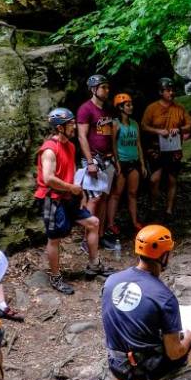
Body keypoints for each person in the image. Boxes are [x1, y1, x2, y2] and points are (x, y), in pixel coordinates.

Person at [101, 225, 191, 380]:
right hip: (143, 370)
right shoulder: (164, 297)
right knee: (182, 349)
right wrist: (189, 338)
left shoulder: (111, 281)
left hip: (116, 365)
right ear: (164, 255)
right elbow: (174, 353)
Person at [34, 107, 106, 295]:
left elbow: (72, 173)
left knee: (93, 223)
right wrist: (71, 188)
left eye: (74, 122)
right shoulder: (49, 150)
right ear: (59, 128)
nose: (74, 126)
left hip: (69, 196)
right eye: (70, 124)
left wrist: (79, 193)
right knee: (54, 238)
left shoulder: (71, 146)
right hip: (52, 199)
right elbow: (48, 178)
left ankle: (94, 264)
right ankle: (56, 276)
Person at [141, 78, 191, 220]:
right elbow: (144, 126)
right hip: (156, 149)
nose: (172, 93)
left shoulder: (179, 109)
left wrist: (179, 129)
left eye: (172, 90)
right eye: (168, 90)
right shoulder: (152, 108)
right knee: (154, 179)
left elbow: (190, 124)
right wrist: (158, 131)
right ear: (161, 92)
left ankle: (169, 210)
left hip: (174, 149)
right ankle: (153, 207)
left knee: (172, 179)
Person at [77, 74, 119, 250]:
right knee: (94, 199)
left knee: (104, 198)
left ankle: (99, 235)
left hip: (107, 158)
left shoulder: (107, 109)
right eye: (103, 87)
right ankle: (87, 239)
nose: (107, 90)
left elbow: (110, 136)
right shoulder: (86, 109)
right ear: (94, 89)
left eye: (108, 87)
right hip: (93, 158)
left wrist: (115, 159)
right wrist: (90, 162)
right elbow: (82, 136)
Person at [111, 93, 148, 233]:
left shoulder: (134, 124)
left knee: (132, 193)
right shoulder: (116, 124)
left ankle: (134, 221)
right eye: (128, 105)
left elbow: (138, 144)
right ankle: (110, 224)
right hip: (123, 162)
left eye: (131, 104)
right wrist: (117, 162)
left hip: (134, 162)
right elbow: (113, 144)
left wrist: (142, 164)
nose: (131, 107)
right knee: (117, 194)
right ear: (120, 107)